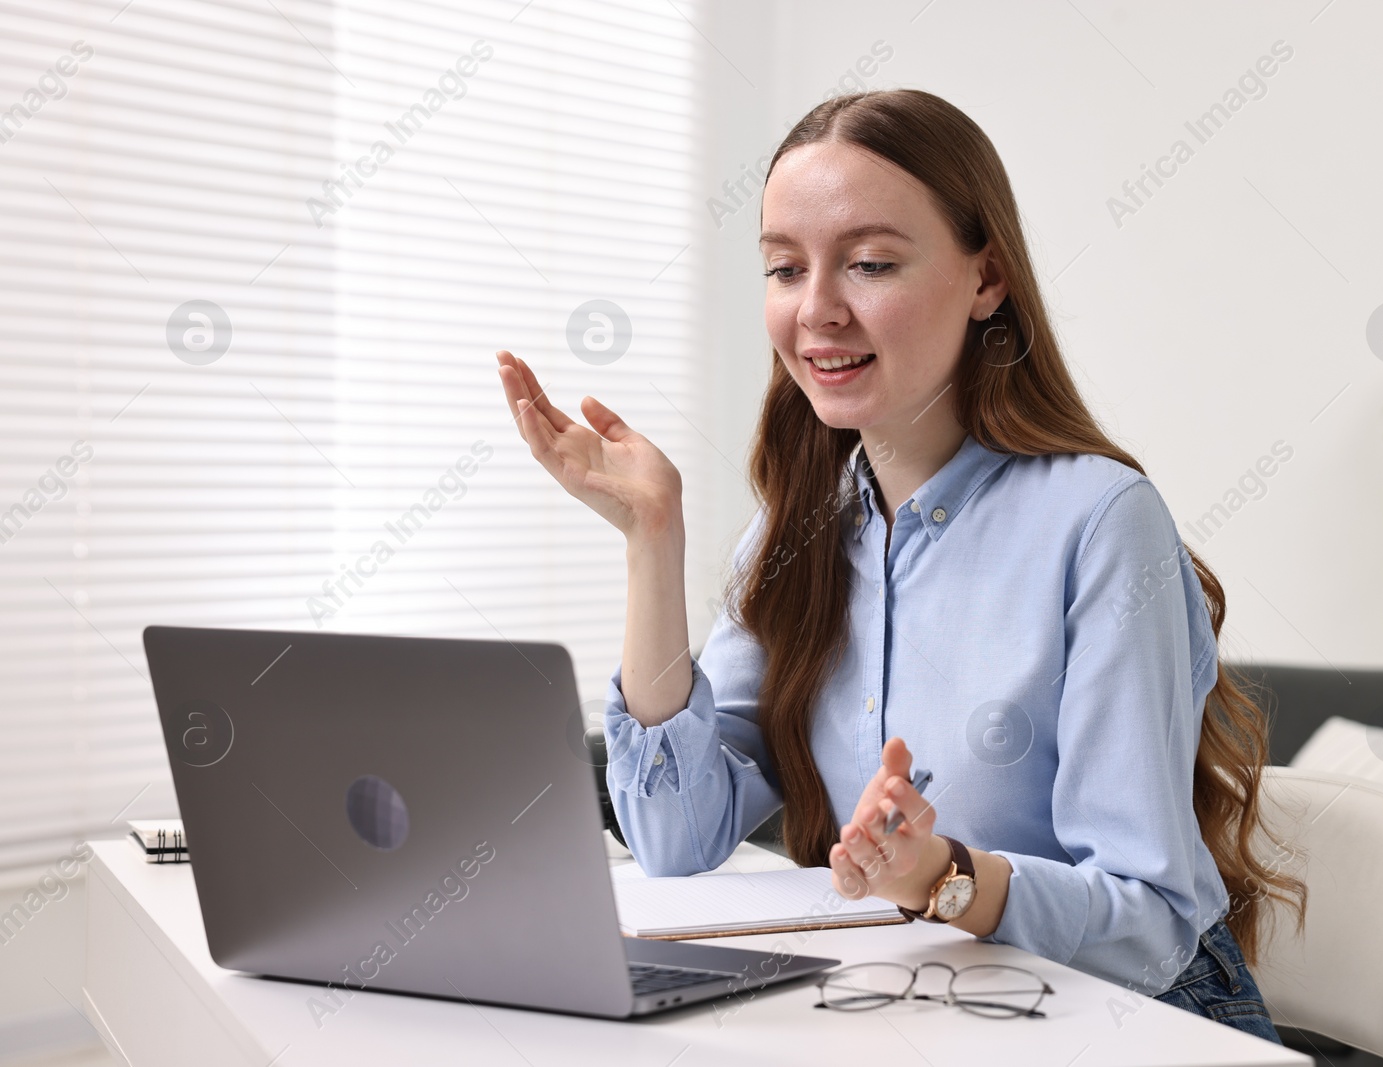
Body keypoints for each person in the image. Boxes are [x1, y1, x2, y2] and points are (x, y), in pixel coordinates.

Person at [494, 88, 1305, 1042]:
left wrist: (947, 875)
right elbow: (674, 840)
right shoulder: (794, 536)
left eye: (871, 263)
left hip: (1137, 1018)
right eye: (785, 268)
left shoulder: (1099, 523)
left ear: (986, 280)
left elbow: (1152, 921)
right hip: (926, 1006)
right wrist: (651, 541)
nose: (818, 310)